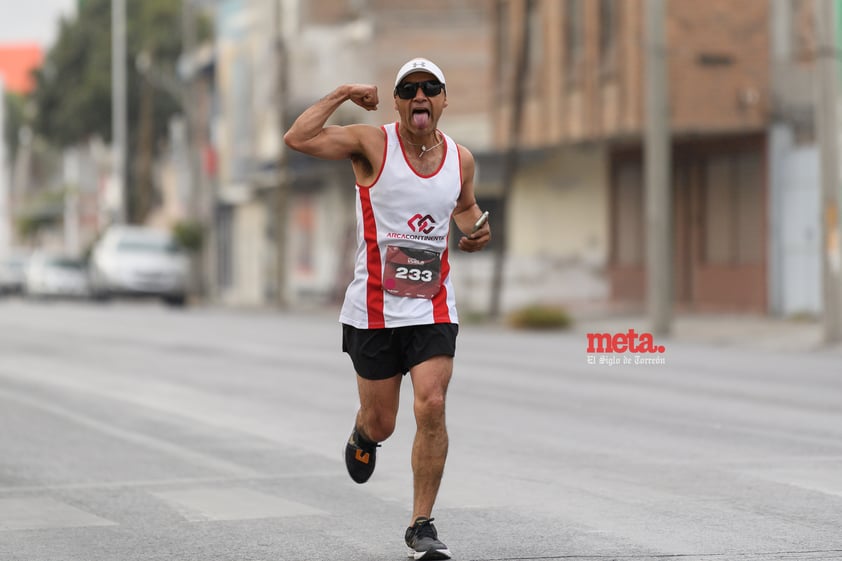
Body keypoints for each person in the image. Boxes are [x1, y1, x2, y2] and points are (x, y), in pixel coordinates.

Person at [284, 57, 490, 561]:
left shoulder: (460, 159)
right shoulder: (373, 143)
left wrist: (476, 229)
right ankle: (362, 432)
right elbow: (299, 138)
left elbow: (463, 205)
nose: (420, 97)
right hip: (373, 311)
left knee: (433, 404)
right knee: (383, 424)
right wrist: (342, 93)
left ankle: (422, 525)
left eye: (430, 88)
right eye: (409, 89)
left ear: (444, 99)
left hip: (432, 306)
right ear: (397, 102)